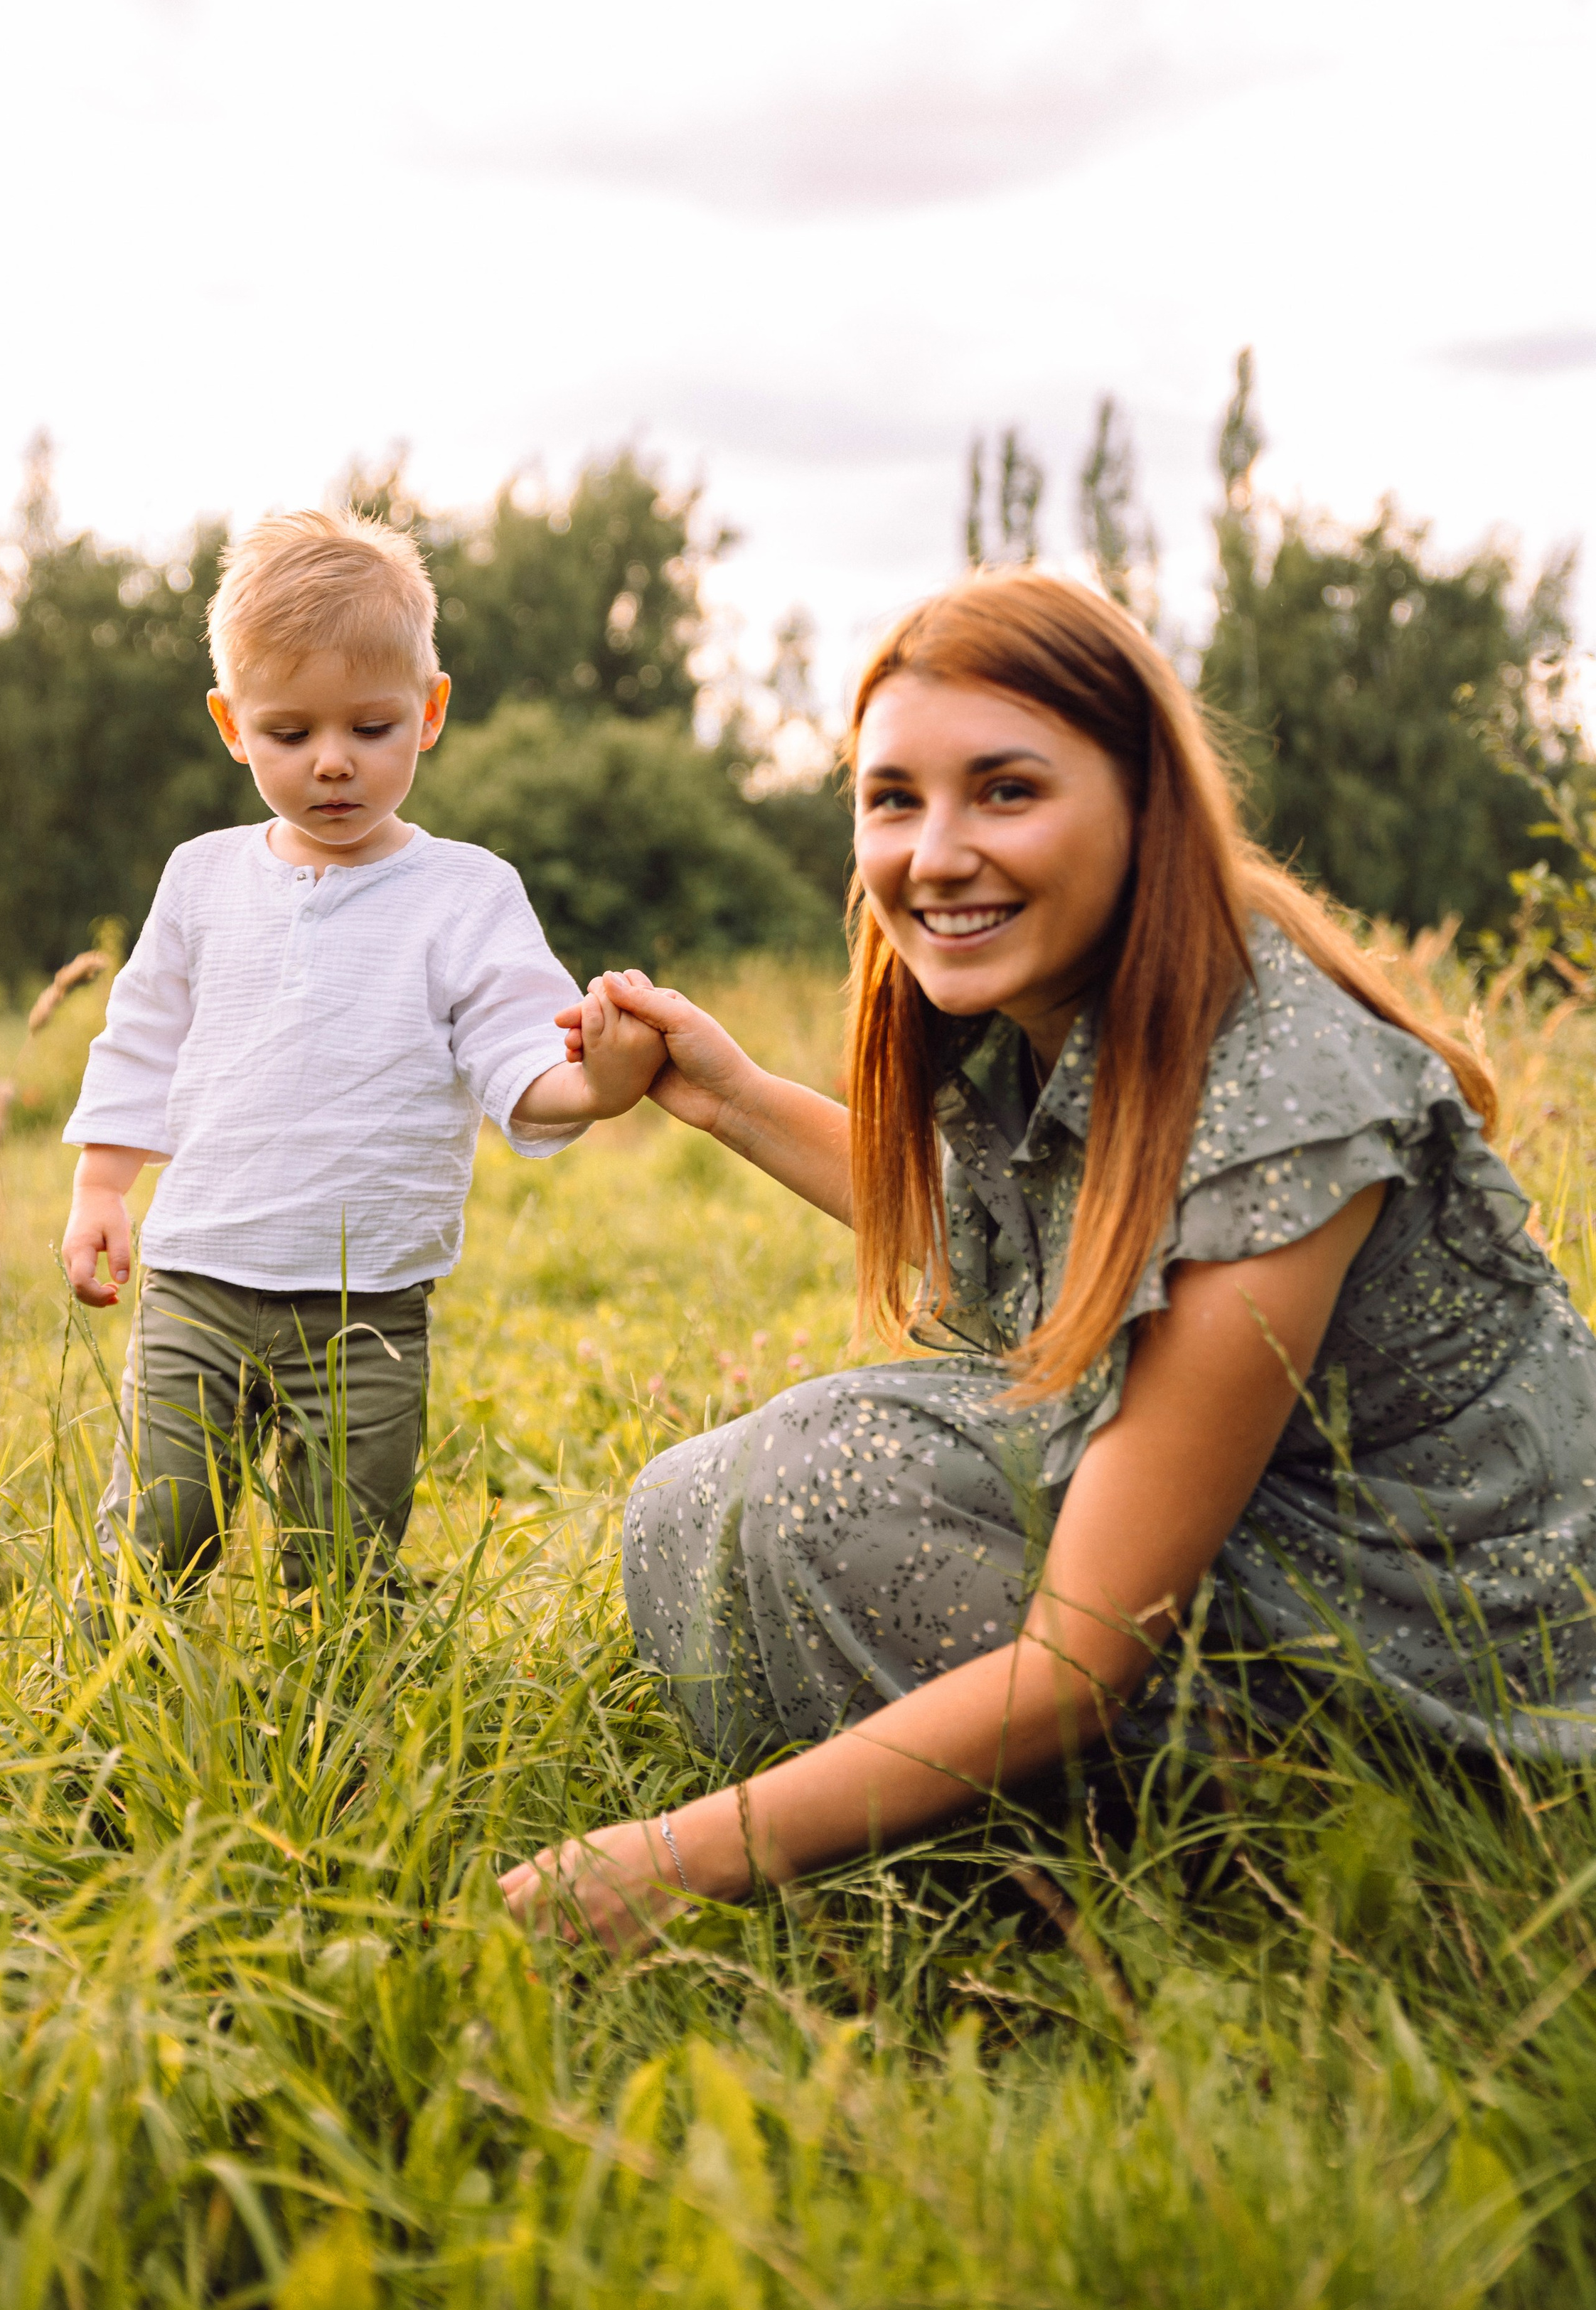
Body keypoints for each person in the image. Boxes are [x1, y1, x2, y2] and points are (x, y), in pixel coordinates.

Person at [500, 568, 1596, 1953]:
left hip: (1454, 1660)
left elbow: (1085, 1657)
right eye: (892, 797)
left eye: (1004, 790)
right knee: (685, 1507)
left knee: (821, 1478)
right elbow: (1014, 1245)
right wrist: (722, 1096)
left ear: (1144, 804)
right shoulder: (1044, 1005)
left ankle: (1263, 1880)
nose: (934, 851)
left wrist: (668, 1861)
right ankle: (983, 1856)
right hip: (1293, 1549)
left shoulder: (1280, 1098)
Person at [60, 507, 661, 1614]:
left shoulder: (467, 894)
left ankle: (346, 1737)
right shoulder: (200, 878)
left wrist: (603, 1084)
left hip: (369, 1298)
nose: (332, 762)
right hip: (200, 1274)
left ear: (429, 713)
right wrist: (104, 1185)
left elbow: (519, 1052)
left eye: (371, 728)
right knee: (160, 1526)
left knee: (347, 1551)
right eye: (289, 734)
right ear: (231, 724)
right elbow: (142, 1035)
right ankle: (118, 1714)